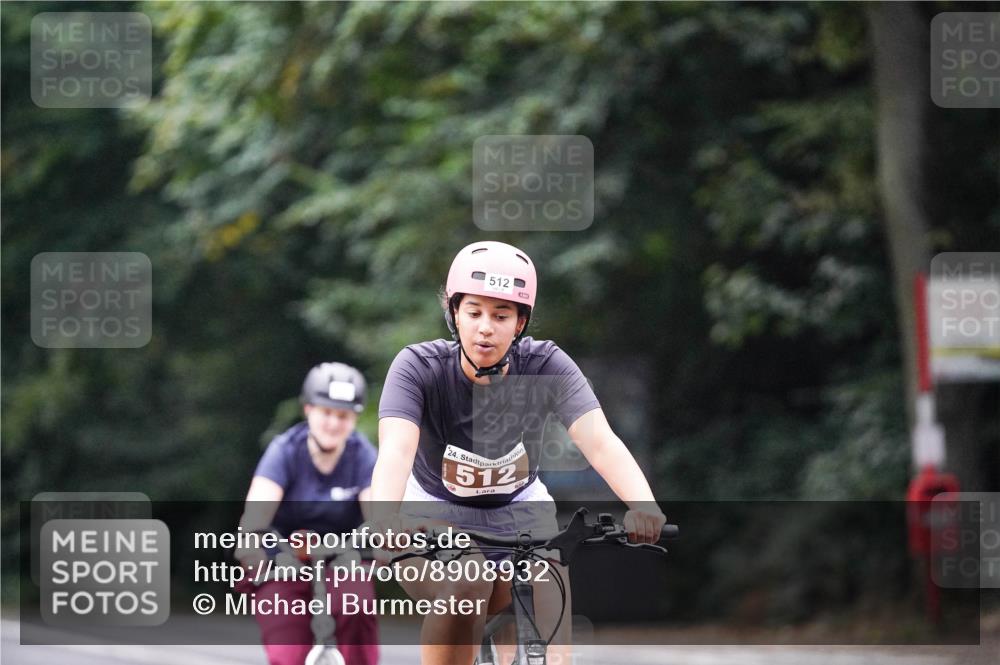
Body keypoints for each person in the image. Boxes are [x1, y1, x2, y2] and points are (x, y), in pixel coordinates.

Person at [370, 241, 666, 665]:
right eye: (474, 312)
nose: (485, 328)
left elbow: (600, 443)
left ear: (520, 322)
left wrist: (644, 506)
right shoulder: (418, 367)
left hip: (521, 515)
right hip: (432, 515)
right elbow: (396, 451)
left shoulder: (547, 365)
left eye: (501, 315)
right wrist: (385, 519)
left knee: (552, 624)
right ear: (454, 314)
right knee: (469, 581)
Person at [237, 362, 379, 665]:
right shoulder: (284, 451)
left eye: (343, 415)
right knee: (287, 651)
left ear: (354, 418)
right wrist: (252, 548)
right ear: (308, 410)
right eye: (326, 412)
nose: (333, 423)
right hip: (282, 562)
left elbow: (379, 517)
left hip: (343, 561)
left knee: (357, 606)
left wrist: (386, 544)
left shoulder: (363, 455)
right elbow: (254, 518)